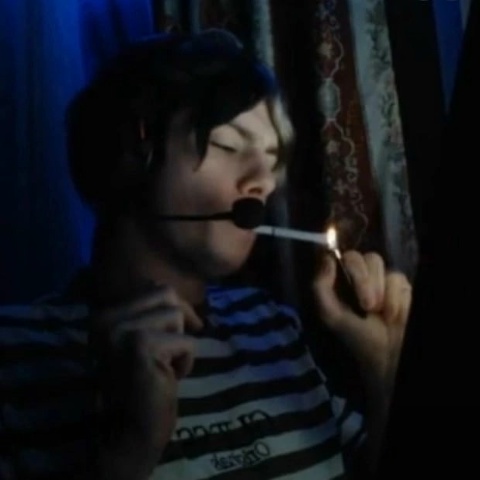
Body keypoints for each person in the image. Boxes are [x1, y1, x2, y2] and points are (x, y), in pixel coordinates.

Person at [0, 29, 412, 480]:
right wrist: (125, 453)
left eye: (272, 160)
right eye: (229, 145)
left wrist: (387, 377)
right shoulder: (16, 355)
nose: (264, 182)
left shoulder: (273, 325)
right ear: (137, 147)